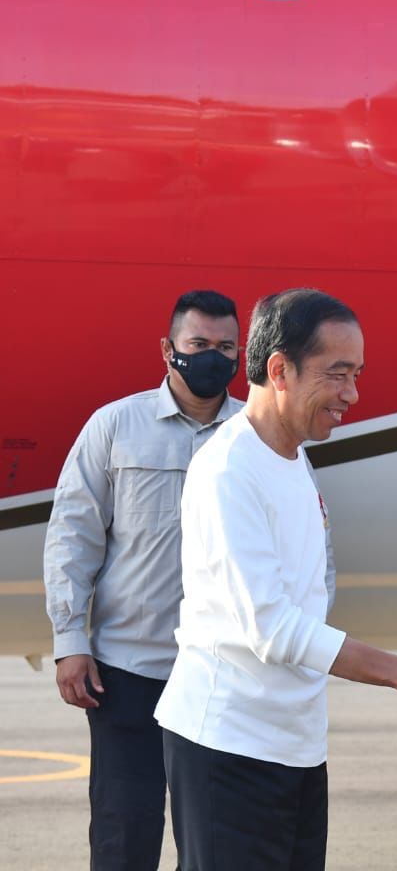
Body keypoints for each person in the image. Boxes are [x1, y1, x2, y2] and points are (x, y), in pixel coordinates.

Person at [154, 288, 397, 870]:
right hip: (229, 744)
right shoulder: (228, 469)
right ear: (279, 370)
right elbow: (274, 629)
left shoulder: (291, 455)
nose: (352, 394)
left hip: (294, 743)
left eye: (356, 375)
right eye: (337, 374)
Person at [44, 289, 244, 870]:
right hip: (128, 673)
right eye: (198, 344)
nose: (212, 357)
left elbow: (307, 545)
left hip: (223, 676)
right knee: (123, 838)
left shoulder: (258, 435)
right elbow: (73, 537)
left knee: (219, 845)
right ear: (167, 349)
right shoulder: (116, 426)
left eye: (225, 347)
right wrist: (70, 640)